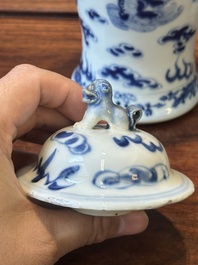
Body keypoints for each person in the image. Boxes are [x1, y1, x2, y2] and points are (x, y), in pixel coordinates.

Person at [0, 64, 148, 265]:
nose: (91, 93)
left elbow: (92, 118)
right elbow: (90, 118)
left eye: (96, 90)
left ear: (104, 93)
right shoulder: (97, 107)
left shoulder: (107, 110)